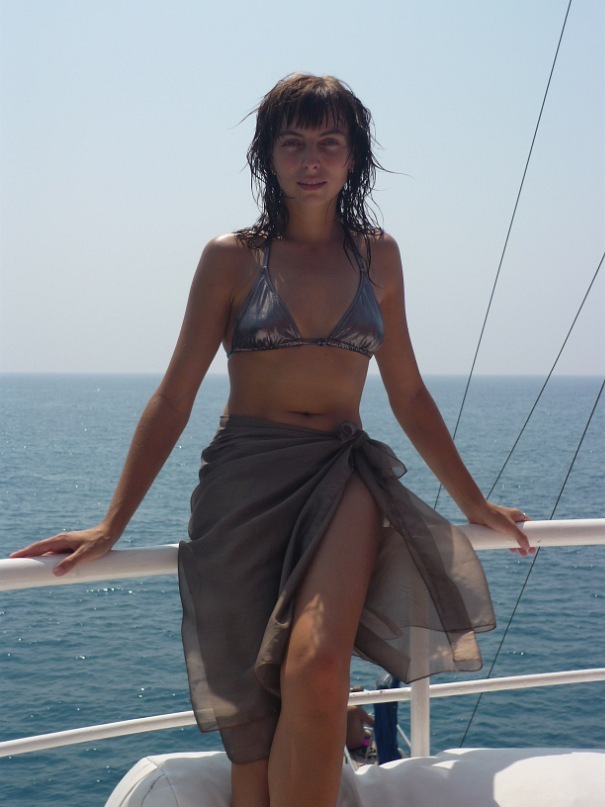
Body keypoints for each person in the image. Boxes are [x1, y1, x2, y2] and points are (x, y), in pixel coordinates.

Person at [11, 74, 532, 807]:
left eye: (329, 142)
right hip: (243, 483)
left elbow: (408, 392)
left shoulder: (378, 257)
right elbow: (174, 395)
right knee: (252, 719)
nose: (311, 160)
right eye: (293, 143)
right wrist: (112, 523)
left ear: (354, 156)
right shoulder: (231, 257)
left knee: (316, 668)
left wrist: (474, 501)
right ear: (268, 155)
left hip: (343, 474)